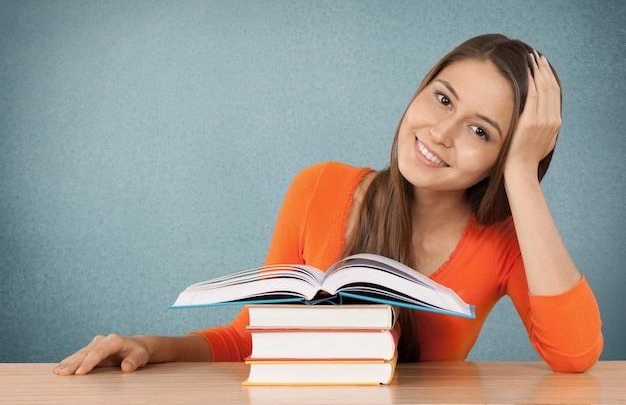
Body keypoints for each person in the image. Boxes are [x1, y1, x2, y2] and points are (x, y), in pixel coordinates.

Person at [53, 34, 603, 376]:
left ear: (502, 157)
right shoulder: (319, 187)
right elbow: (254, 337)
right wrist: (149, 346)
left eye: (480, 132)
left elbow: (574, 355)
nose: (440, 132)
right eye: (441, 98)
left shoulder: (505, 240)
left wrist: (523, 177)